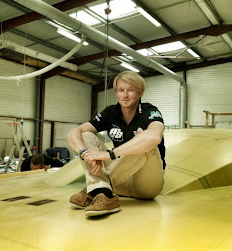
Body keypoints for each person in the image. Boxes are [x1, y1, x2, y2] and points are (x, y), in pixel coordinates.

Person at [67, 71, 166, 217]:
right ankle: (102, 192)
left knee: (146, 141)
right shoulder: (111, 112)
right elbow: (74, 133)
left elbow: (155, 137)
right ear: (116, 93)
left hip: (146, 186)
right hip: (119, 182)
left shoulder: (149, 111)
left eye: (130, 90)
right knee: (85, 135)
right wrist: (83, 153)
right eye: (121, 90)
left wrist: (109, 154)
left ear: (141, 93)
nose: (125, 95)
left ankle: (95, 189)